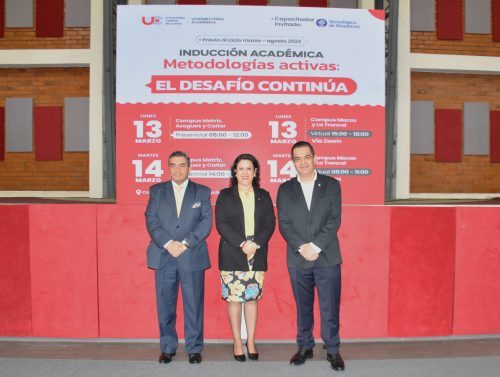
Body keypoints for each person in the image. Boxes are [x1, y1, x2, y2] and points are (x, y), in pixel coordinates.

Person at [276, 141, 345, 372]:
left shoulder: (331, 185)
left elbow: (334, 219)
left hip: (327, 257)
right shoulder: (285, 189)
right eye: (297, 158)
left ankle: (333, 350)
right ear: (293, 162)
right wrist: (301, 247)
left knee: (329, 307)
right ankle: (305, 346)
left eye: (306, 157)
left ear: (314, 158)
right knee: (303, 307)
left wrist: (315, 246)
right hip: (298, 259)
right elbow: (284, 224)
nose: (303, 162)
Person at [145, 150, 212, 365]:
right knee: (165, 305)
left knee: (194, 305)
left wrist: (184, 243)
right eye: (173, 165)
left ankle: (194, 348)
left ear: (189, 167)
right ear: (168, 167)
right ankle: (167, 347)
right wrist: (168, 243)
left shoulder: (202, 191)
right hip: (164, 255)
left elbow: (206, 223)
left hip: (191, 255)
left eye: (182, 165)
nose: (177, 169)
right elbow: (151, 220)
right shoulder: (156, 191)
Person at [215, 154, 276, 362]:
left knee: (251, 300)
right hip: (233, 251)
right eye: (241, 168)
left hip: (256, 253)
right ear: (234, 171)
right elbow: (221, 224)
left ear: (255, 172)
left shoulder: (264, 195)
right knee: (234, 301)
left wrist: (255, 244)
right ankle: (237, 341)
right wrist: (243, 243)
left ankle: (250, 340)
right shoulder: (224, 195)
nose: (245, 172)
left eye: (249, 168)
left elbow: (270, 224)